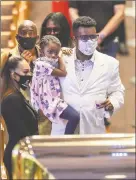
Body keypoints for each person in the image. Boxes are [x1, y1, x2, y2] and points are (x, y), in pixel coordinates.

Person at [51, 16, 125, 135]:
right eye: (84, 38)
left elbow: (117, 91)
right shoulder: (60, 59)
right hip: (63, 129)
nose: (90, 41)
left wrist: (112, 103)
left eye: (93, 37)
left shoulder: (110, 64)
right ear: (74, 39)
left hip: (93, 130)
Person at [31, 35, 79, 134]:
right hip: (48, 102)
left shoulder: (50, 62)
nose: (53, 55)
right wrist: (60, 56)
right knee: (74, 116)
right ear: (42, 51)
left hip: (54, 100)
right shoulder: (41, 65)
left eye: (56, 52)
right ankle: (67, 141)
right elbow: (63, 72)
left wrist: (63, 51)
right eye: (50, 52)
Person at [1, 56, 38, 179]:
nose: (29, 76)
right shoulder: (12, 99)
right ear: (13, 75)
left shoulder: (17, 95)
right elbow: (20, 133)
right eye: (25, 72)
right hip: (18, 157)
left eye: (30, 71)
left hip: (22, 154)